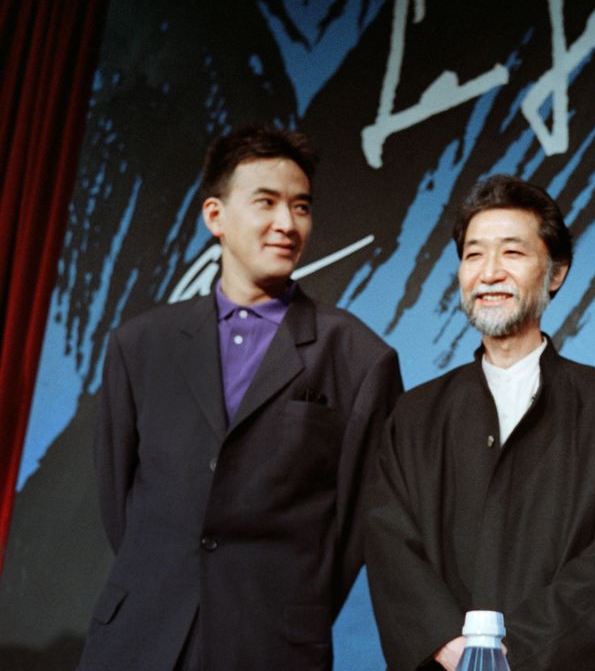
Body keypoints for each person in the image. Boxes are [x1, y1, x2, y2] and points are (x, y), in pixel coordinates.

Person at [79, 124, 403, 670]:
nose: (287, 223)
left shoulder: (360, 357)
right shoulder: (139, 345)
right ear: (215, 217)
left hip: (272, 644)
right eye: (266, 202)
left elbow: (357, 528)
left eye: (301, 207)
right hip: (138, 637)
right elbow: (120, 501)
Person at [366, 174, 595, 670]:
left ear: (556, 272)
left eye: (513, 253)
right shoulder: (414, 416)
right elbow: (389, 543)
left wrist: (513, 653)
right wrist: (452, 647)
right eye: (474, 254)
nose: (489, 272)